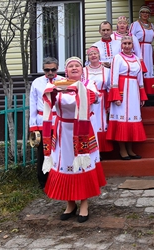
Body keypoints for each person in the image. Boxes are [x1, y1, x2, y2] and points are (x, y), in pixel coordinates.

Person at [41, 57, 107, 223]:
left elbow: (94, 98)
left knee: (82, 166)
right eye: (71, 66)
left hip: (83, 131)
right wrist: (54, 90)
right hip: (63, 131)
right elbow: (49, 98)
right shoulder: (57, 85)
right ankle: (70, 204)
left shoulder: (88, 84)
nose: (74, 68)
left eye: (77, 65)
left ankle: (84, 204)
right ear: (66, 70)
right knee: (66, 166)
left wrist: (80, 91)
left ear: (81, 69)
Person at [107, 35, 148, 160]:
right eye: (124, 43)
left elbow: (140, 78)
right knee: (122, 119)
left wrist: (141, 96)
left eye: (129, 43)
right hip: (122, 91)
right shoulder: (117, 58)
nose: (127, 46)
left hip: (134, 92)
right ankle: (122, 149)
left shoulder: (136, 59)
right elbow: (113, 77)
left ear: (133, 45)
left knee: (132, 119)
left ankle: (130, 149)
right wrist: (116, 96)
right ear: (121, 45)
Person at [29, 57, 64, 189]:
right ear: (43, 69)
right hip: (42, 121)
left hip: (58, 120)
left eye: (53, 69)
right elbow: (32, 104)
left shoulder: (63, 81)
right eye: (47, 70)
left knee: (59, 151)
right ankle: (43, 181)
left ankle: (59, 179)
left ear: (57, 68)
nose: (50, 72)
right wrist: (33, 126)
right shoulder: (37, 83)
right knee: (44, 152)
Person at [83, 46, 113, 153]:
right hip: (88, 99)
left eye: (95, 53)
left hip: (103, 98)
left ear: (99, 55)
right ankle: (91, 149)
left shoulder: (107, 71)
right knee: (90, 122)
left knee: (102, 123)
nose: (93, 56)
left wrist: (109, 102)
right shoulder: (83, 71)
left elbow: (110, 87)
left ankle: (102, 150)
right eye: (90, 54)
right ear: (88, 57)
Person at [130, 5, 154, 94]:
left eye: (147, 12)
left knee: (149, 70)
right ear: (140, 14)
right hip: (139, 50)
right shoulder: (135, 24)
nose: (145, 14)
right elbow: (131, 38)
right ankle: (140, 92)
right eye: (143, 12)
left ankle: (148, 92)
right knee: (140, 69)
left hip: (148, 49)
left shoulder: (151, 25)